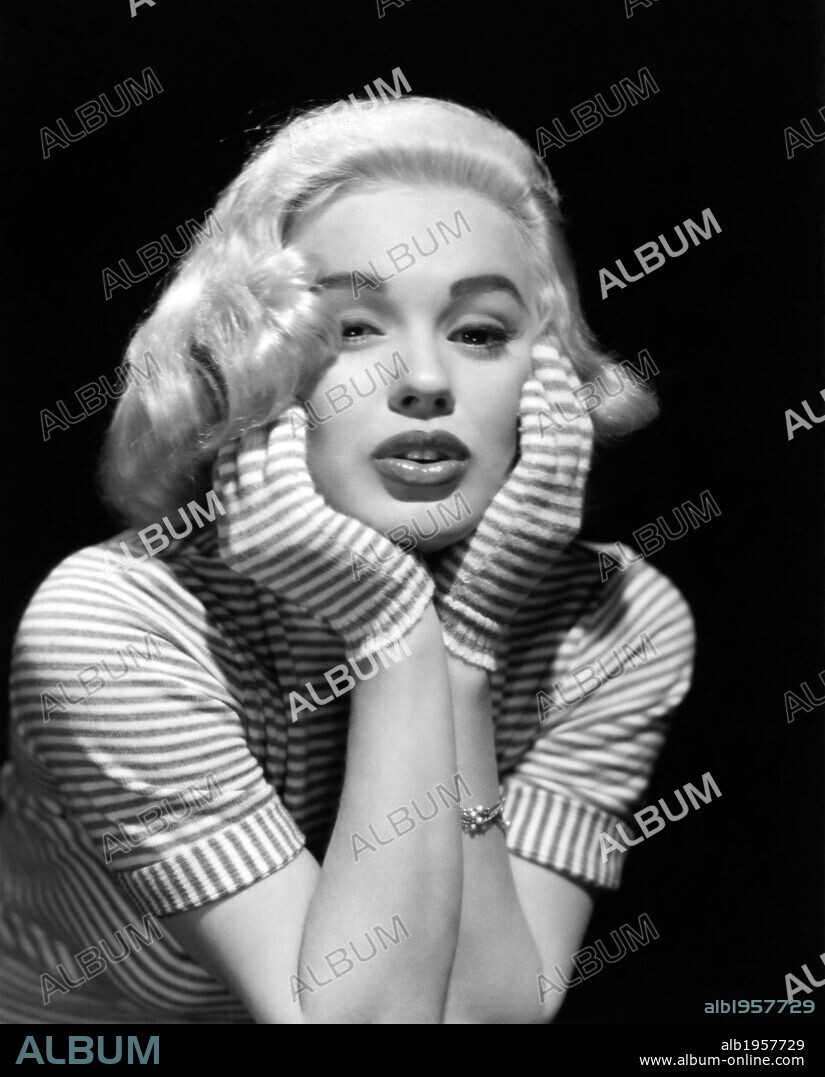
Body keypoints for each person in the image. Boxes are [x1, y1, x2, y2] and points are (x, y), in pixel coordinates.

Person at [0, 95, 694, 1024]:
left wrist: (460, 648)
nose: (425, 381)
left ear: (551, 381)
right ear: (249, 365)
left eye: (479, 332)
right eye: (353, 329)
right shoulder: (111, 625)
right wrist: (391, 626)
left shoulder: (618, 621)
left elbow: (481, 1017)